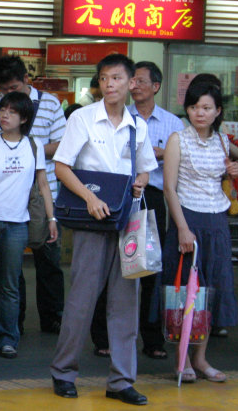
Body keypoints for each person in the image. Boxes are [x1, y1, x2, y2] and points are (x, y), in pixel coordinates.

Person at [50, 54, 157, 406]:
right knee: (81, 300)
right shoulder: (83, 118)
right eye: (103, 78)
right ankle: (64, 372)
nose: (109, 84)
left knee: (126, 303)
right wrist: (88, 199)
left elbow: (145, 169)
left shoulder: (137, 125)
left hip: (126, 221)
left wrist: (140, 182)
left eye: (116, 78)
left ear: (132, 84)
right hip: (91, 220)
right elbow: (62, 165)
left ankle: (121, 381)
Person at [90, 61, 184, 360]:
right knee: (109, 267)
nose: (135, 86)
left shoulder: (172, 123)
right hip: (115, 196)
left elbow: (178, 164)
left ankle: (152, 337)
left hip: (151, 198)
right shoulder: (117, 116)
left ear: (155, 86)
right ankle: (103, 336)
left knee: (148, 268)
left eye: (141, 81)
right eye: (134, 81)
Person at [0, 55, 66, 335]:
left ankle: (52, 317)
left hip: (41, 190)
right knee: (12, 268)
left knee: (48, 258)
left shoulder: (50, 104)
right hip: (1, 197)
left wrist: (29, 150)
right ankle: (16, 322)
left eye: (13, 88)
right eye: (3, 91)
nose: (7, 98)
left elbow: (62, 144)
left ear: (27, 79)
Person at [162, 80, 238, 383]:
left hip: (217, 221)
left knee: (211, 292)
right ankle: (182, 360)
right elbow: (169, 188)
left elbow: (229, 178)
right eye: (194, 107)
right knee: (188, 292)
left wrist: (233, 173)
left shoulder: (222, 141)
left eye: (207, 108)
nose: (200, 113)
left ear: (218, 111)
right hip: (188, 220)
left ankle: (201, 359)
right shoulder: (177, 140)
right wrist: (182, 228)